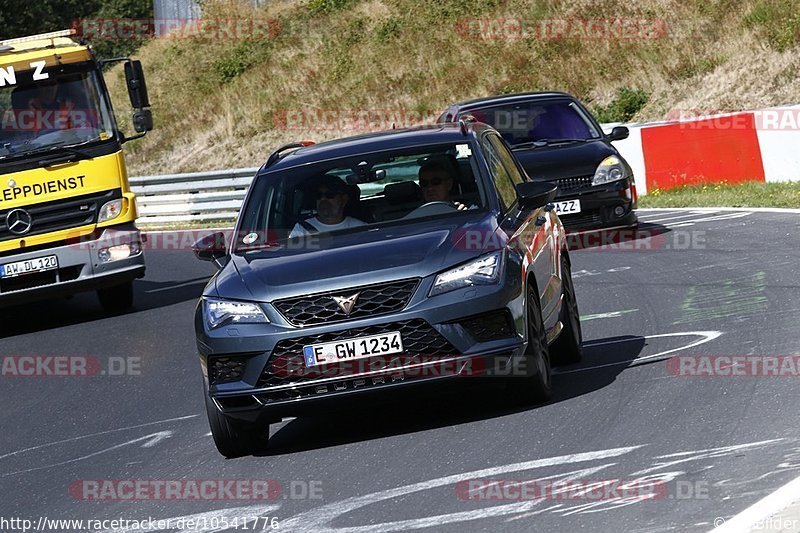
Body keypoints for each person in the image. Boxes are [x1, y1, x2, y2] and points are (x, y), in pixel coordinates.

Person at [289, 175, 365, 237]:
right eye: (318, 195)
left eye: (330, 195)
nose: (323, 199)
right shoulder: (301, 229)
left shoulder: (360, 228)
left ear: (344, 199)